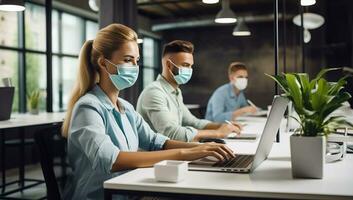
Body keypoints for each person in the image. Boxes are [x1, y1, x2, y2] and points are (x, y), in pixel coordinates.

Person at [61, 24, 236, 200]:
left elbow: (155, 141)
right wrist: (184, 154)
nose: (135, 67)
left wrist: (201, 148)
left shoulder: (125, 107)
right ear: (103, 63)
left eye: (137, 61)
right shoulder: (87, 107)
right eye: (128, 60)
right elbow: (112, 160)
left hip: (129, 191)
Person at [136, 40, 241, 142]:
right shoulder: (154, 92)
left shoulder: (175, 92)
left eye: (191, 66)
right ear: (169, 65)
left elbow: (192, 122)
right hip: (157, 157)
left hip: (172, 154)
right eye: (185, 65)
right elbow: (172, 134)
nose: (189, 70)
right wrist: (218, 133)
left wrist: (223, 126)